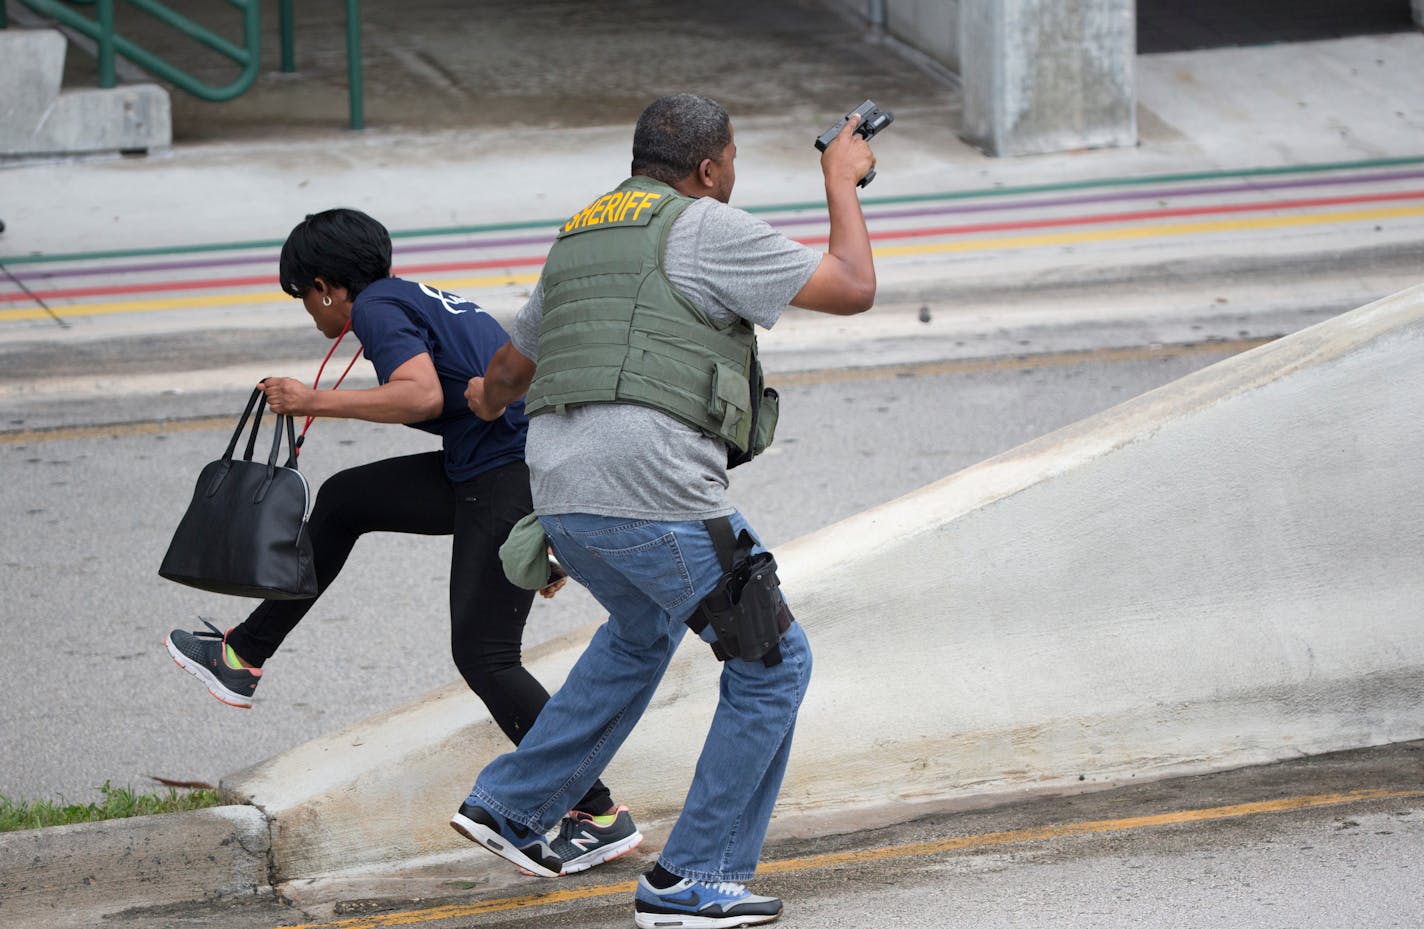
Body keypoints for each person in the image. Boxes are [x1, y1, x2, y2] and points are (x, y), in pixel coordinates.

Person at [454, 94, 876, 928]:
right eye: (732, 163)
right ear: (709, 167)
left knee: (641, 630)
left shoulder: (581, 234)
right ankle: (693, 876)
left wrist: (481, 397)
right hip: (653, 492)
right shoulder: (706, 225)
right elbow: (853, 285)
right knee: (772, 664)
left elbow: (510, 365)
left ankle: (512, 802)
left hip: (565, 497)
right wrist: (842, 178)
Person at [164, 208, 641, 875]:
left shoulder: (380, 309)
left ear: (327, 286)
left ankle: (595, 811)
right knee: (345, 500)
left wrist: (311, 401)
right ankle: (243, 653)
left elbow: (416, 395)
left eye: (305, 297)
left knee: (485, 654)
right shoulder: (411, 297)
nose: (309, 312)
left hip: (504, 475)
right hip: (496, 466)